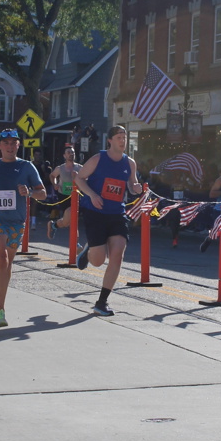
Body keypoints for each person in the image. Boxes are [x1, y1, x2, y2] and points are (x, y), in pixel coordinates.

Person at [0, 128, 46, 328]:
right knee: (2, 258)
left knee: (8, 263)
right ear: (0, 146)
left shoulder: (26, 167)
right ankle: (1, 311)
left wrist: (29, 192)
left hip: (16, 221)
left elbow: (43, 193)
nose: (10, 146)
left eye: (14, 143)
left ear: (18, 145)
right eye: (6, 143)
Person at [73, 125, 144, 316]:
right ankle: (88, 251)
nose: (123, 141)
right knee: (97, 261)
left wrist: (136, 188)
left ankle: (102, 302)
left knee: (118, 253)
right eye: (119, 137)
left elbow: (131, 185)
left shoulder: (130, 163)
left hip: (117, 213)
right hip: (96, 212)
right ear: (110, 140)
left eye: (124, 137)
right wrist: (92, 195)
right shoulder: (98, 159)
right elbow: (79, 179)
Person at [47, 145, 78, 239]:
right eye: (69, 152)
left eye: (72, 152)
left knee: (72, 219)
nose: (71, 154)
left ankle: (75, 243)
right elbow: (52, 176)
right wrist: (55, 184)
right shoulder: (60, 168)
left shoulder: (80, 168)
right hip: (63, 196)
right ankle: (54, 225)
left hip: (76, 196)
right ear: (64, 155)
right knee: (67, 221)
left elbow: (86, 179)